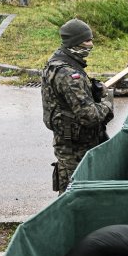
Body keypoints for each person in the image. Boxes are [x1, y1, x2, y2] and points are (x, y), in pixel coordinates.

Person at [41, 18, 114, 193]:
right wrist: (107, 103)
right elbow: (89, 116)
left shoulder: (58, 62)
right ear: (75, 42)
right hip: (75, 146)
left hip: (69, 141)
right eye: (87, 41)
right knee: (75, 194)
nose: (91, 45)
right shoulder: (69, 74)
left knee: (72, 191)